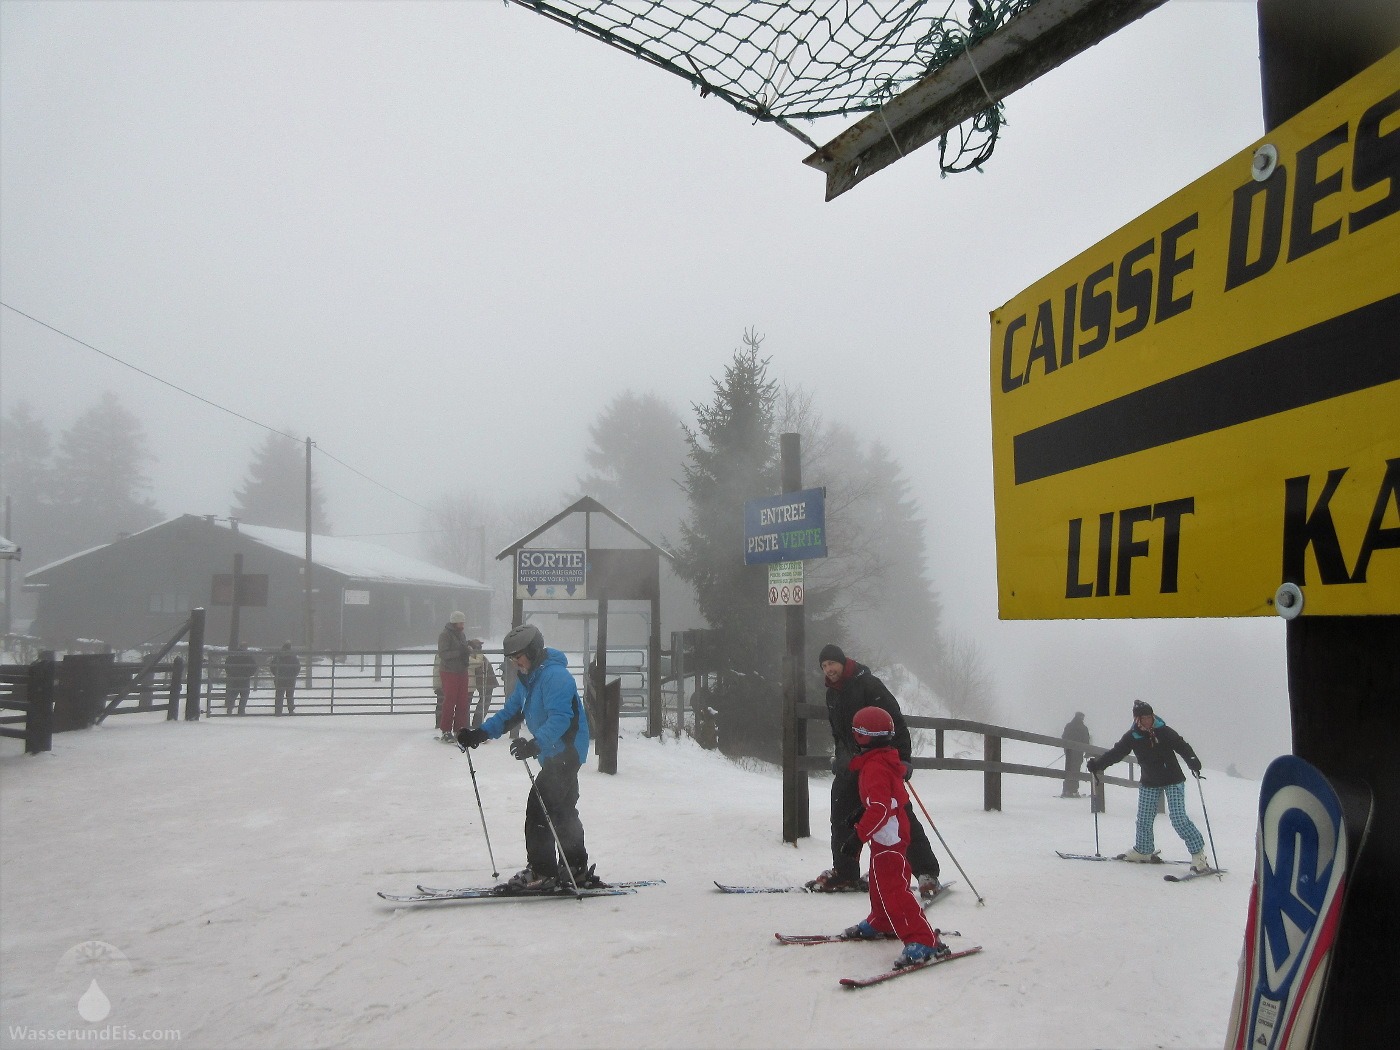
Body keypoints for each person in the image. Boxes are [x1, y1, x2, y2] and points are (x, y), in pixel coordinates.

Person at [457, 623, 598, 891]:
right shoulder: (529, 680)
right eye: (511, 659)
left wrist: (536, 744)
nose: (514, 664)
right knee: (563, 811)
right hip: (554, 753)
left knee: (539, 807)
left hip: (566, 751)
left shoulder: (555, 677)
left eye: (518, 657)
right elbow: (510, 713)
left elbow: (560, 719)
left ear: (533, 652)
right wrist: (480, 734)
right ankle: (575, 869)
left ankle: (542, 872)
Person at [808, 644, 942, 899]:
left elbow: (895, 720)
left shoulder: (868, 684)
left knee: (900, 816)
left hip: (878, 764)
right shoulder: (832, 694)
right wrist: (839, 756)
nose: (829, 670)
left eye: (831, 664)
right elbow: (839, 732)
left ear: (842, 662)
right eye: (824, 666)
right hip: (849, 767)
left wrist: (903, 760)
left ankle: (926, 873)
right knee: (841, 819)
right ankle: (845, 872)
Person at [840, 706, 951, 969]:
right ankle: (883, 920)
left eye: (856, 731)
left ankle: (923, 940)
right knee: (879, 882)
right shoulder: (879, 761)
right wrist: (861, 812)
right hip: (884, 833)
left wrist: (858, 836)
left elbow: (880, 808)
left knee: (894, 889)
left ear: (862, 736)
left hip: (889, 836)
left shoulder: (875, 766)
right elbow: (884, 799)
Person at [1086, 700, 1211, 873]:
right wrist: (1098, 764)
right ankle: (1143, 851)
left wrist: (1192, 761)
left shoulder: (1164, 731)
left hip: (1173, 779)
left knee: (1178, 818)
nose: (1147, 721)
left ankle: (1199, 855)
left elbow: (1182, 746)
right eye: (1143, 718)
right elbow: (1116, 753)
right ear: (1137, 719)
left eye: (1149, 717)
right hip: (1150, 780)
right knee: (1144, 819)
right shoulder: (1132, 736)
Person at [436, 611, 472, 743]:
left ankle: (459, 729)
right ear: (454, 622)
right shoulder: (445, 635)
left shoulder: (461, 634)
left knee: (463, 701)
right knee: (450, 700)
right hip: (449, 671)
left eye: (463, 622)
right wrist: (461, 652)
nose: (462, 625)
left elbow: (461, 650)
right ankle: (446, 730)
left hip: (462, 670)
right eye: (460, 622)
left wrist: (469, 648)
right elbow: (444, 654)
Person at [1060, 711, 1092, 797]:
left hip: (1070, 752)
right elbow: (1086, 740)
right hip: (1078, 753)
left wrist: (1066, 748)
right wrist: (1087, 751)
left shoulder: (1069, 726)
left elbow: (1064, 737)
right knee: (1076, 769)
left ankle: (1067, 790)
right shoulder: (1083, 728)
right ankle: (1073, 790)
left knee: (1069, 769)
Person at [468, 639, 499, 727]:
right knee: (484, 701)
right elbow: (478, 666)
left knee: (485, 701)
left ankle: (477, 722)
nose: (480, 648)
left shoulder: (477, 655)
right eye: (478, 646)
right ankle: (477, 722)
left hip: (487, 680)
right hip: (484, 681)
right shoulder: (476, 655)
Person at [224, 644, 257, 715]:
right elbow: (254, 666)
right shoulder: (248, 656)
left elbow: (227, 665)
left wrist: (230, 674)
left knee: (233, 694)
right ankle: (241, 710)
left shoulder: (233, 655)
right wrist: (249, 674)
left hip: (234, 677)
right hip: (244, 678)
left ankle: (230, 709)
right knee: (244, 695)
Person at [270, 642, 300, 715]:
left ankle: (278, 710)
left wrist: (276, 674)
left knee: (279, 694)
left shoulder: (278, 656)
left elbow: (272, 666)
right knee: (290, 694)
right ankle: (291, 710)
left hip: (279, 677)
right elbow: (297, 667)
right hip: (290, 678)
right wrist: (294, 675)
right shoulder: (293, 656)